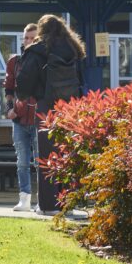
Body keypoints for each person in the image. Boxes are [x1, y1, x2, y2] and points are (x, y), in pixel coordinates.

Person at [16, 14, 86, 214]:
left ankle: (47, 206)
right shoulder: (74, 50)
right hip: (70, 109)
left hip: (46, 107)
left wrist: (23, 96)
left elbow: (25, 80)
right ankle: (66, 204)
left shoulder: (37, 51)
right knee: (66, 155)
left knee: (47, 156)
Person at [3, 23, 39, 212]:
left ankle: (44, 199)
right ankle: (24, 198)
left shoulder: (44, 61)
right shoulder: (15, 61)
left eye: (32, 38)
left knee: (42, 162)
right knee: (22, 161)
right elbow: (9, 88)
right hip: (19, 120)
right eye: (26, 37)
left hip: (39, 118)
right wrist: (10, 108)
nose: (28, 41)